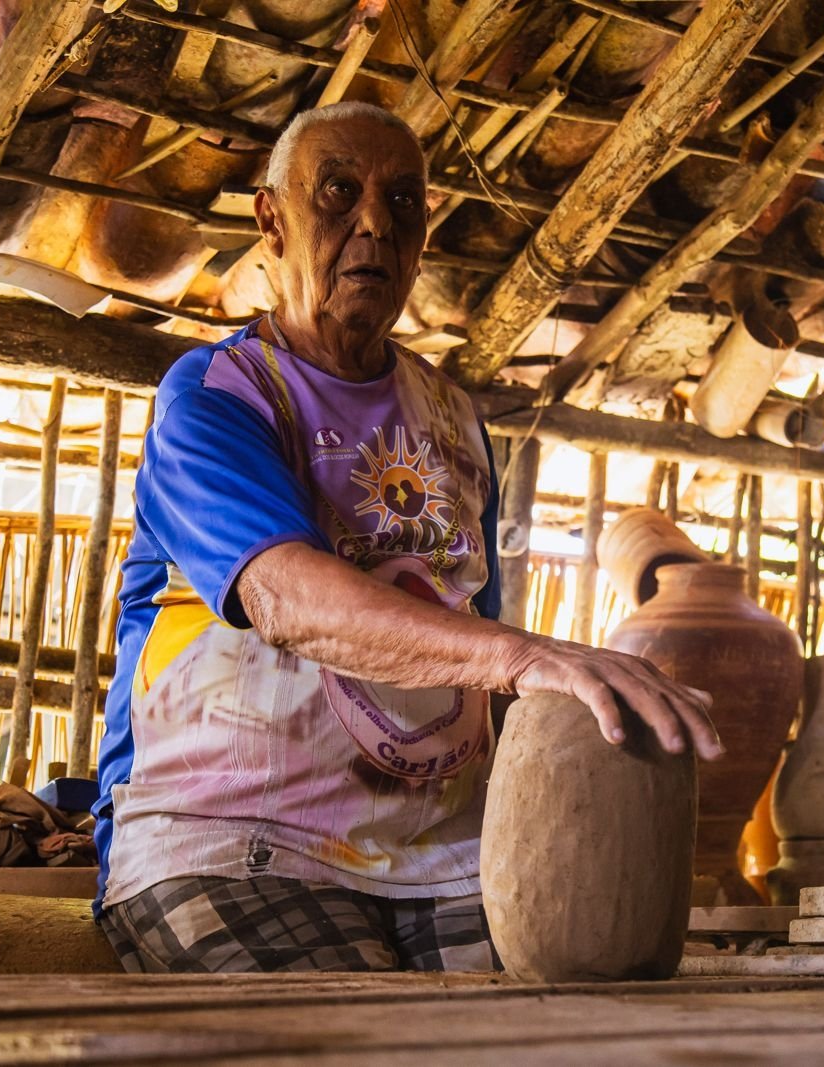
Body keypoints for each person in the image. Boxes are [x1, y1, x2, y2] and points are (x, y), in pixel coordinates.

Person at [92, 102, 720, 974]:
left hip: (447, 860)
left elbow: (474, 659)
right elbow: (283, 596)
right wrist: (526, 655)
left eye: (404, 203)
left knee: (584, 1022)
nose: (375, 223)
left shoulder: (456, 418)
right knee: (364, 1041)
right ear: (270, 221)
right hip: (230, 840)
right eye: (339, 192)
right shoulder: (216, 397)